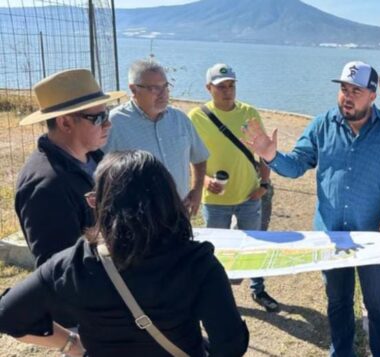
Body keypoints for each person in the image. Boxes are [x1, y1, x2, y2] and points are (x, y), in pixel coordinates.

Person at [0, 150, 248, 356]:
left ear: (102, 204)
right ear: (169, 200)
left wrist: (70, 344)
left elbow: (7, 314)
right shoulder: (198, 263)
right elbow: (230, 343)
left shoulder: (73, 264)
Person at [243, 61, 380, 357]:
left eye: (355, 91)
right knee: (338, 302)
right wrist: (271, 155)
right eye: (343, 89)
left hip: (373, 238)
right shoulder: (322, 124)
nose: (347, 96)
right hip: (330, 235)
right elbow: (297, 164)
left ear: (372, 95)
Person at [188, 63, 279, 313]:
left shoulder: (248, 112)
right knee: (217, 250)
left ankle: (258, 289)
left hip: (250, 194)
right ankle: (219, 294)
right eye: (221, 87)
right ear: (209, 88)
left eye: (231, 86)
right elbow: (191, 156)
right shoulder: (196, 117)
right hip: (215, 199)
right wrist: (205, 182)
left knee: (254, 245)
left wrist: (264, 184)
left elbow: (264, 151)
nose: (227, 91)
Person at [15, 68, 125, 268]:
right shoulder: (46, 185)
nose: (108, 124)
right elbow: (60, 270)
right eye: (99, 118)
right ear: (65, 123)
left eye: (106, 114)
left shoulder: (96, 158)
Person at [104, 58, 209, 216]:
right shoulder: (115, 123)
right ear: (133, 90)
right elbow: (100, 173)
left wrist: (197, 189)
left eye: (165, 86)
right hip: (137, 218)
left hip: (179, 213)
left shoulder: (180, 119)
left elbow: (199, 157)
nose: (163, 94)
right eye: (154, 88)